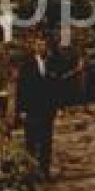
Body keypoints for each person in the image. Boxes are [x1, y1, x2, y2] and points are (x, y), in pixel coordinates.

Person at [11, 30, 69, 182]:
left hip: (47, 109)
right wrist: (21, 110)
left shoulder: (52, 64)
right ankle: (30, 173)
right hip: (31, 109)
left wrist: (59, 107)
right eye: (38, 45)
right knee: (31, 142)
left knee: (46, 142)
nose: (41, 48)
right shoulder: (27, 66)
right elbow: (21, 89)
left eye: (44, 45)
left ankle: (45, 171)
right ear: (34, 47)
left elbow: (57, 87)